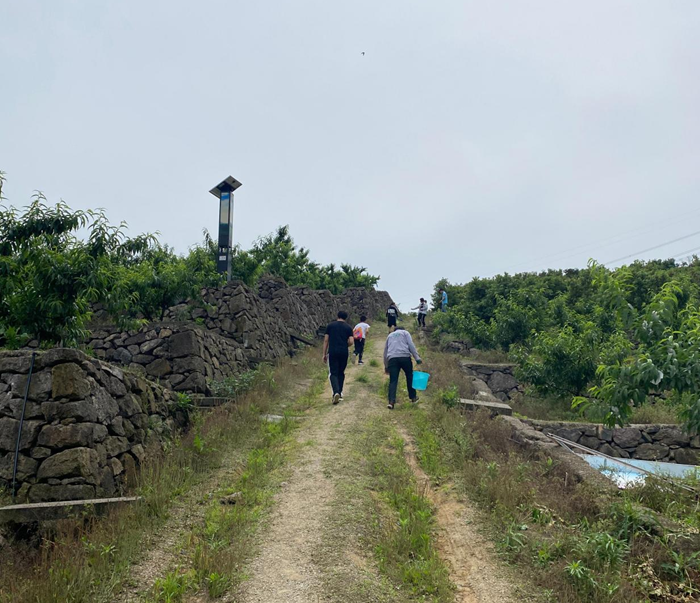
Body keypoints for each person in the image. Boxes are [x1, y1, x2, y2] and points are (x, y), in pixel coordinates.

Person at [383, 327, 422, 410]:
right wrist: (417, 358)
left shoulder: (390, 336)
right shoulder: (405, 333)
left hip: (392, 358)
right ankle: (413, 397)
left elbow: (385, 351)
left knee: (393, 380)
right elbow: (411, 345)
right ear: (402, 329)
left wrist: (386, 366)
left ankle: (391, 402)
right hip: (405, 357)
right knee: (409, 376)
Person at [323, 310, 354, 404]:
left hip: (333, 351)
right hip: (344, 352)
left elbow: (326, 340)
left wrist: (324, 354)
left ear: (337, 316)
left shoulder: (330, 326)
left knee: (333, 373)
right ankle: (339, 393)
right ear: (346, 317)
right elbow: (351, 342)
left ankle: (336, 392)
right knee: (341, 372)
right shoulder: (348, 327)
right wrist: (345, 345)